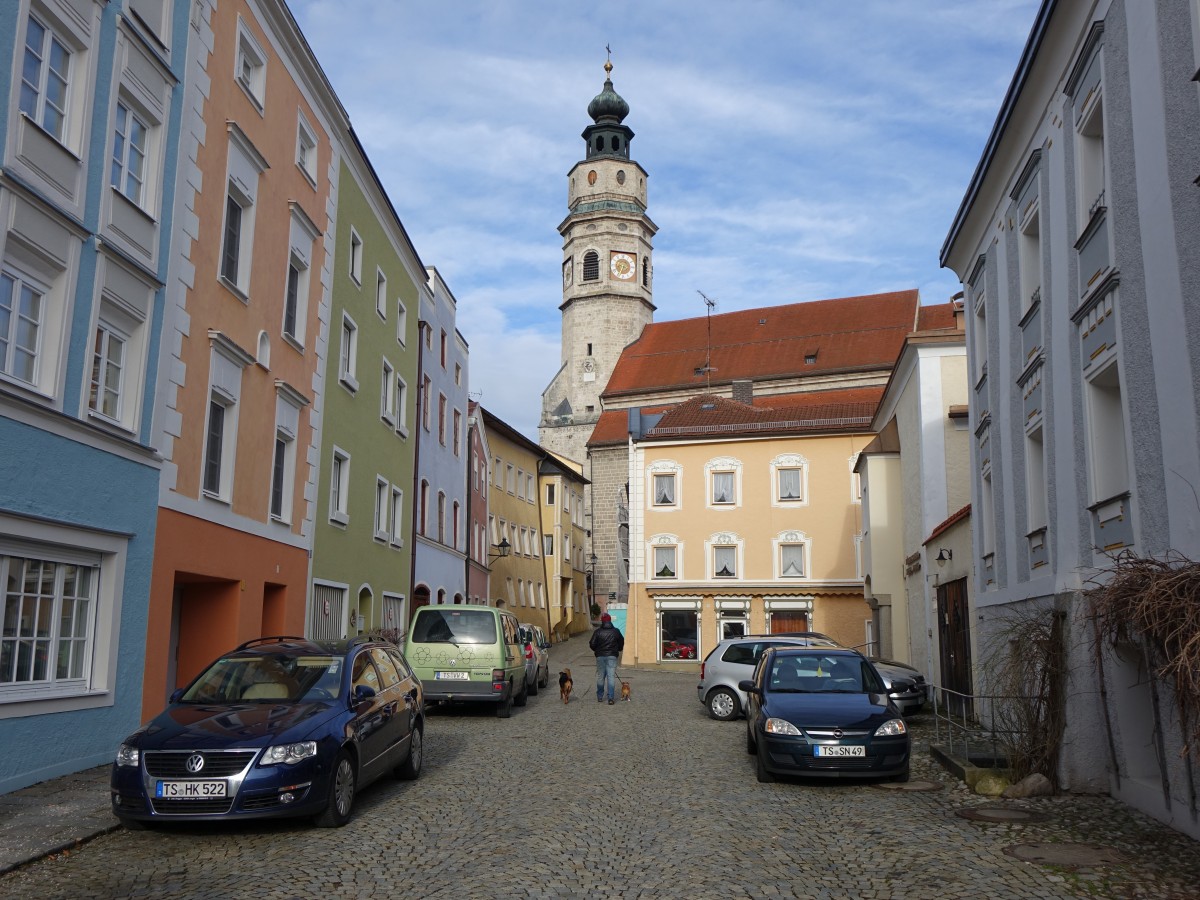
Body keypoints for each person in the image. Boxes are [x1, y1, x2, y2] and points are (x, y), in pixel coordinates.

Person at [589, 613, 625, 704]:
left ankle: (600, 696)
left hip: (600, 657)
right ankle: (611, 698)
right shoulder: (616, 631)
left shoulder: (597, 632)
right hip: (612, 656)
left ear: (602, 621)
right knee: (611, 677)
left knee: (601, 677)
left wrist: (597, 651)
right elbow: (621, 642)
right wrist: (618, 649)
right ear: (610, 621)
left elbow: (592, 644)